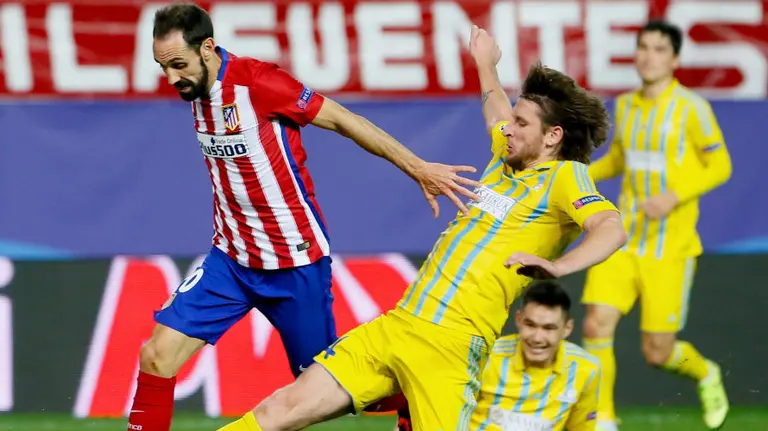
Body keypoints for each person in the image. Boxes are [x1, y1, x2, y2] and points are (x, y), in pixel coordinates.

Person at [217, 25, 627, 431]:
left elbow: (610, 226)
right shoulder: (508, 156)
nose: (509, 129)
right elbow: (497, 109)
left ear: (553, 136)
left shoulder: (564, 177)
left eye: (521, 124)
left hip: (451, 346)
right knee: (280, 410)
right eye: (513, 122)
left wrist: (559, 267)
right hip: (399, 324)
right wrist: (486, 63)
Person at [126, 3, 481, 431]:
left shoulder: (259, 83)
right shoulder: (198, 89)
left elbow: (344, 119)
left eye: (178, 65)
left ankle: (408, 400)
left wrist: (418, 167)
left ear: (207, 48)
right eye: (162, 68)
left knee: (328, 389)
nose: (171, 79)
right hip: (231, 261)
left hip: (295, 264)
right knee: (156, 356)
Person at [580, 20, 732, 431]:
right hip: (622, 239)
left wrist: (674, 195)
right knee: (596, 322)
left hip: (670, 248)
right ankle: (603, 420)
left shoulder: (692, 108)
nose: (649, 56)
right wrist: (578, 174)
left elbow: (720, 164)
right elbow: (619, 161)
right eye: (643, 47)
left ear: (675, 59)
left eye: (659, 49)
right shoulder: (626, 105)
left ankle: (705, 374)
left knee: (658, 352)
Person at [471, 281, 601, 431]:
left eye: (549, 328)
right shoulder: (488, 355)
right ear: (518, 320)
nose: (537, 338)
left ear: (567, 328)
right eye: (530, 325)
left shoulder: (585, 369)